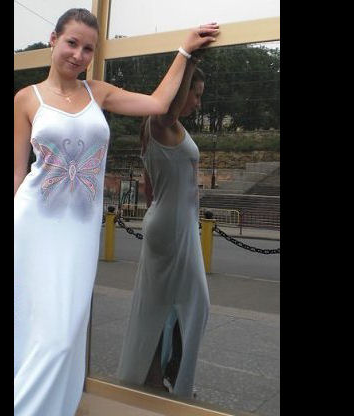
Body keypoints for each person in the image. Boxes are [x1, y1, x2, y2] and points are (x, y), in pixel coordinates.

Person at [14, 7, 219, 416]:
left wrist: (184, 52)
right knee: (40, 330)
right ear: (53, 40)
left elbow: (158, 102)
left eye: (88, 49)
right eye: (72, 43)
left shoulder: (99, 93)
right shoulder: (25, 99)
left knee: (67, 334)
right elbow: (18, 173)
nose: (78, 55)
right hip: (33, 226)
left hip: (80, 233)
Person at [116, 55, 210, 398]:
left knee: (164, 304)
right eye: (195, 94)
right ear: (180, 91)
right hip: (172, 225)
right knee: (195, 303)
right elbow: (166, 113)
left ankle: (158, 374)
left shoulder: (166, 128)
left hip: (173, 221)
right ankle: (173, 376)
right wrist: (188, 61)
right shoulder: (160, 122)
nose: (198, 102)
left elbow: (149, 187)